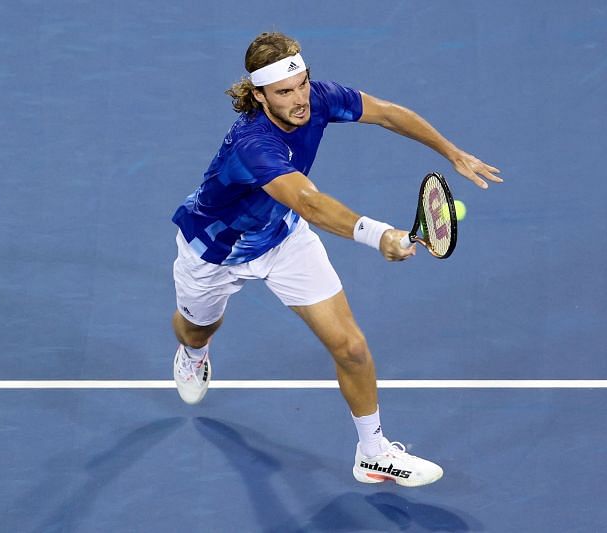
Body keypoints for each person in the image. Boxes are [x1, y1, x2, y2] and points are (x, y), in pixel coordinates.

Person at [170, 31, 502, 487]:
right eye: (284, 92)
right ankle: (193, 353)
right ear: (259, 95)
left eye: (302, 83)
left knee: (351, 347)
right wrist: (378, 234)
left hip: (283, 239)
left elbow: (387, 114)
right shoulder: (253, 145)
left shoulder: (320, 99)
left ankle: (373, 452)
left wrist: (451, 151)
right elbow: (309, 203)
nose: (299, 98)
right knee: (197, 327)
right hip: (214, 250)